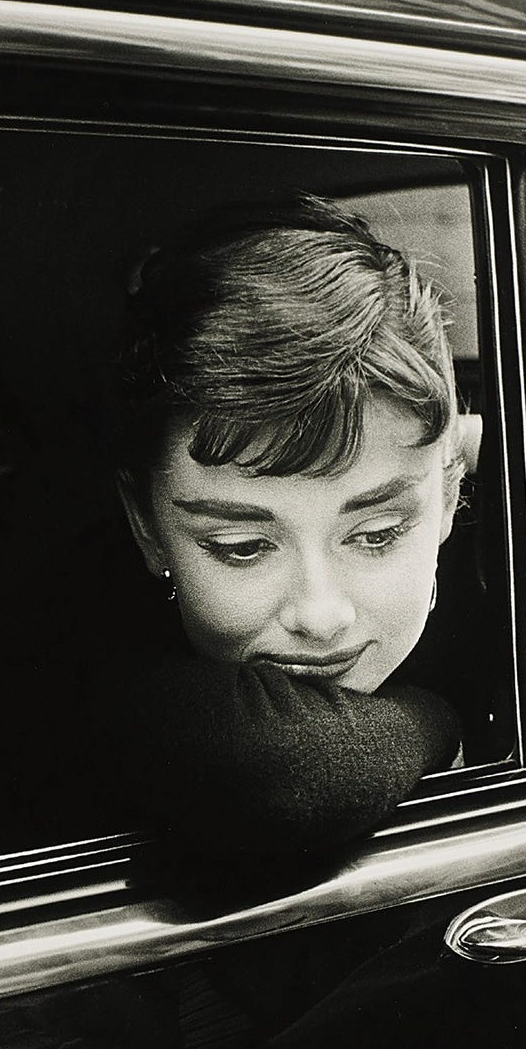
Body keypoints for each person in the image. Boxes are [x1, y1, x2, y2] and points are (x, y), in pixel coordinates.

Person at [56, 192, 467, 862]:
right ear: (146, 526)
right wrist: (437, 721)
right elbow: (281, 770)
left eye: (377, 534)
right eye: (241, 547)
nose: (322, 617)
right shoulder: (84, 641)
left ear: (449, 498)